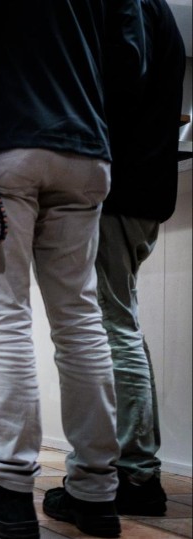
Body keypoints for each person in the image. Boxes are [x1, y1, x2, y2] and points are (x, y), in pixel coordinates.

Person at [0, 2, 145, 537]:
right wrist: (84, 113)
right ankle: (96, 492)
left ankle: (6, 488)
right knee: (80, 318)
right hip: (85, 151)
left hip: (5, 143)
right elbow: (129, 54)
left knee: (4, 316)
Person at [98, 0, 185, 517]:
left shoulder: (129, 7)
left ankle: (136, 475)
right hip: (143, 190)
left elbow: (114, 91)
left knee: (114, 325)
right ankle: (133, 468)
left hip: (120, 190)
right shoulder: (158, 13)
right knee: (121, 320)